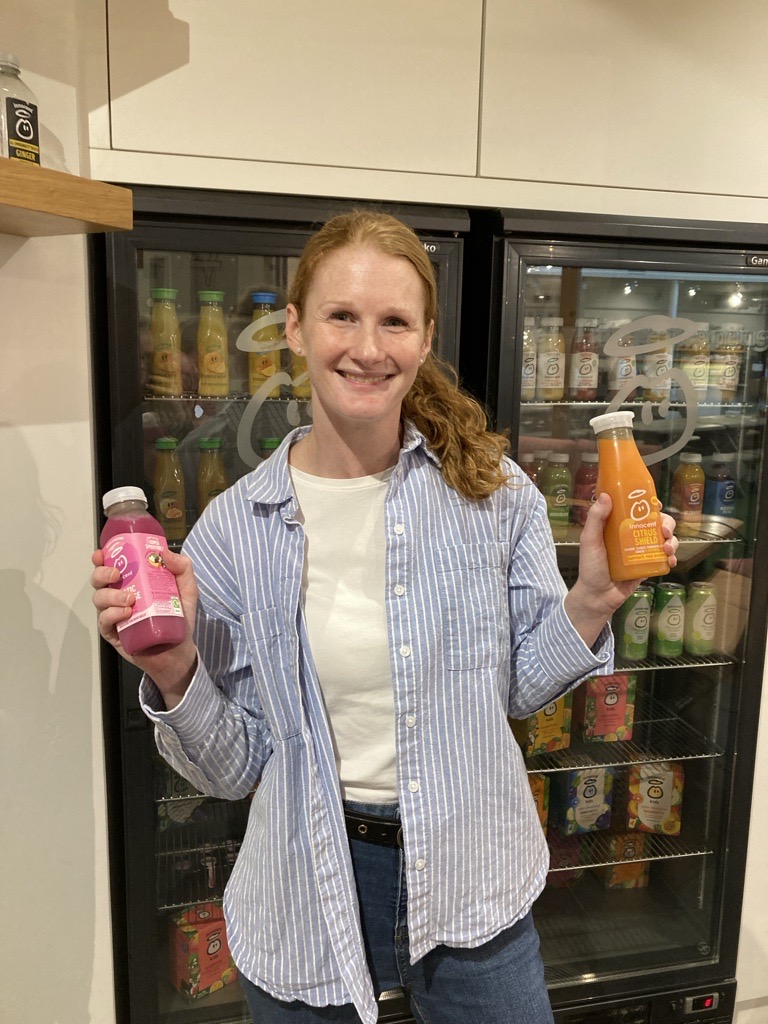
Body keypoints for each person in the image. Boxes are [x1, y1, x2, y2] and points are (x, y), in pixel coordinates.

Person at [91, 211, 678, 1024]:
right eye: (342, 316)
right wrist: (170, 666)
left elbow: (516, 691)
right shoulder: (236, 528)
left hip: (473, 873)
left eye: (394, 321)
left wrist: (594, 600)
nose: (368, 348)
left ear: (425, 336)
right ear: (294, 328)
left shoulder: (492, 493)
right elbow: (232, 770)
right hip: (304, 886)